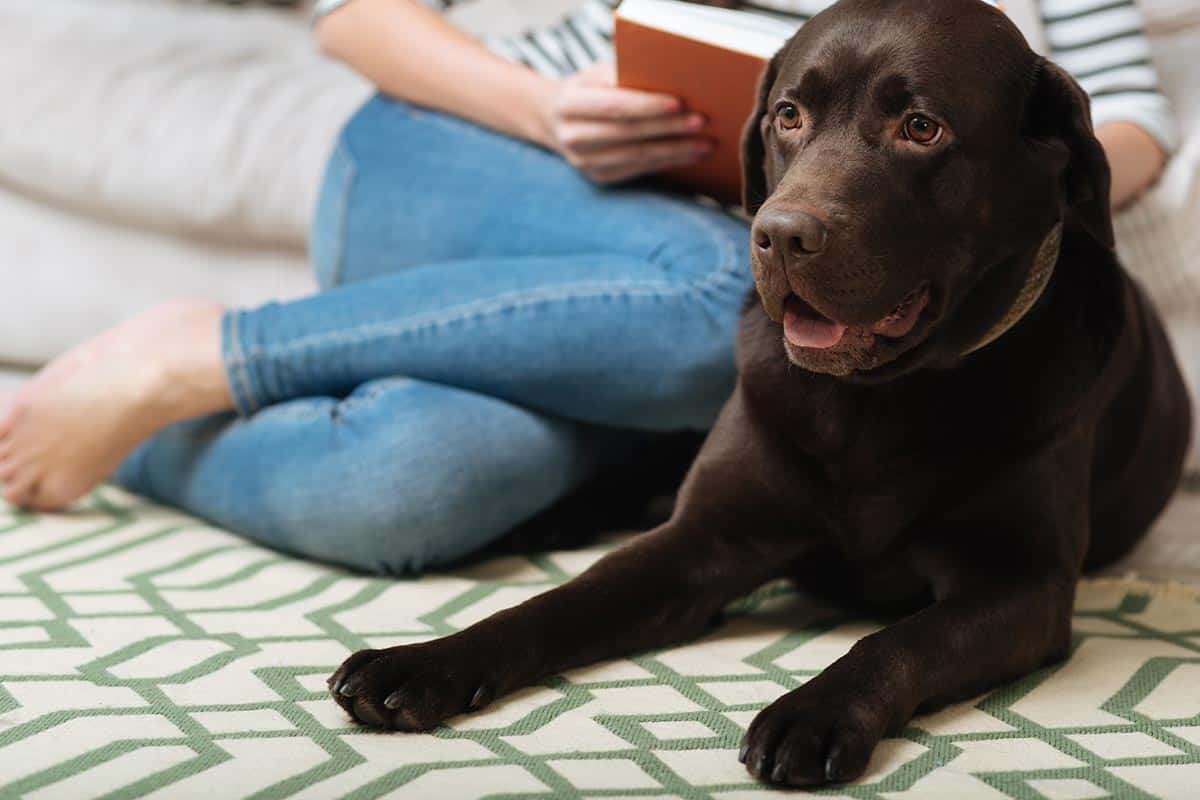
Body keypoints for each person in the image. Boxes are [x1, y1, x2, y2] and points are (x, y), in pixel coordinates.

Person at [0, 0, 1176, 575]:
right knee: (721, 306)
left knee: (419, 482)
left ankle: (121, 429)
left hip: (743, 282)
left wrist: (999, 214)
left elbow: (1130, 123)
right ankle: (205, 350)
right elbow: (357, 19)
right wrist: (543, 111)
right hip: (468, 154)